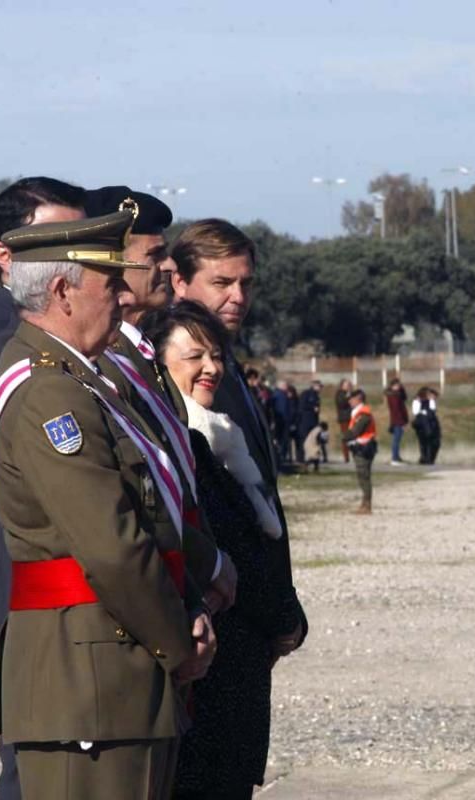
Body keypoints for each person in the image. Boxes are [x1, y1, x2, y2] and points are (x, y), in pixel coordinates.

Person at [0, 207, 217, 799]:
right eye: (110, 283)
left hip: (112, 669)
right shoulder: (49, 393)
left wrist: (186, 612)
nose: (122, 296)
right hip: (88, 680)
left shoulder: (82, 380)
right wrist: (178, 640)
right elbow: (112, 546)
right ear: (63, 291)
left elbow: (151, 519)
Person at [0, 176, 84, 800]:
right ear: (5, 256)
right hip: (39, 595)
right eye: (58, 239)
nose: (77, 254)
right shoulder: (11, 343)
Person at [142, 300, 302, 799]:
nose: (211, 367)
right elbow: (235, 557)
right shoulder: (181, 444)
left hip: (235, 679)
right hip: (209, 683)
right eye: (194, 356)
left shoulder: (218, 438)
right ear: (158, 363)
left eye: (216, 355)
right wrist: (287, 621)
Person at [83, 187, 237, 611]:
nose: (169, 266)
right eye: (154, 256)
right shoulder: (105, 362)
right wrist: (205, 567)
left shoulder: (140, 355)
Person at [170, 218, 307, 657]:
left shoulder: (224, 360)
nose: (238, 297)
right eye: (222, 283)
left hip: (250, 613)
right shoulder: (181, 371)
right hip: (222, 611)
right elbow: (222, 510)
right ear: (179, 281)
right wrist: (277, 611)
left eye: (246, 283)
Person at [343, 388, 377, 514]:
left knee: (364, 476)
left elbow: (355, 431)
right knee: (362, 476)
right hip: (361, 447)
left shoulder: (363, 414)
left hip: (364, 448)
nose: (349, 401)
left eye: (351, 399)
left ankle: (367, 505)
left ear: (358, 399)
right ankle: (365, 503)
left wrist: (343, 437)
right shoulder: (358, 413)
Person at [411, 386, 439, 465]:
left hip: (430, 423)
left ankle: (429, 458)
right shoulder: (417, 401)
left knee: (431, 442)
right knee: (423, 442)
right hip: (421, 424)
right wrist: (425, 412)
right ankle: (425, 458)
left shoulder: (430, 401)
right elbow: (416, 412)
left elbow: (432, 411)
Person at [384, 377, 409, 466]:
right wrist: (402, 422)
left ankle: (397, 457)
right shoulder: (393, 396)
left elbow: (405, 397)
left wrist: (402, 389)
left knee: (397, 439)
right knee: (396, 440)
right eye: (397, 385)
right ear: (392, 386)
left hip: (399, 420)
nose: (398, 387)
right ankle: (394, 458)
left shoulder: (398, 394)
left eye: (399, 385)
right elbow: (396, 410)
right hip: (397, 420)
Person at [335, 377, 353, 463]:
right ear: (342, 386)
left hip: (352, 417)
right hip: (344, 418)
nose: (348, 386)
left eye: (349, 385)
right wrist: (348, 398)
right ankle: (346, 457)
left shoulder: (350, 393)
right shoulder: (340, 394)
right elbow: (342, 404)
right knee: (346, 437)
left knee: (352, 436)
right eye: (346, 385)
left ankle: (353, 454)